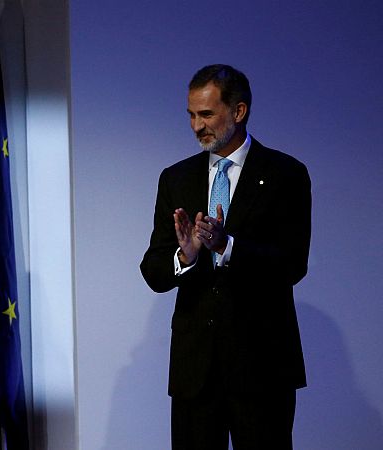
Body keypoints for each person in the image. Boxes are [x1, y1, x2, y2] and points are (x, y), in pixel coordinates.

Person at [140, 64, 311, 450]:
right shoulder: (176, 178)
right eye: (191, 115)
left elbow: (292, 263)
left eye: (206, 114)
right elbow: (153, 269)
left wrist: (227, 246)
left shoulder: (286, 174)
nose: (196, 126)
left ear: (238, 112)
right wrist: (184, 258)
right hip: (195, 370)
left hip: (262, 366)